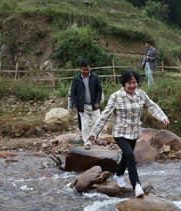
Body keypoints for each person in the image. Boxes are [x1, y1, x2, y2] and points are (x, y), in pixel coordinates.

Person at [87, 70, 170, 198]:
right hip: (120, 132)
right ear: (123, 83)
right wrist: (94, 133)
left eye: (134, 82)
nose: (132, 85)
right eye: (129, 83)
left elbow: (151, 106)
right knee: (130, 154)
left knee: (127, 156)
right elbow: (104, 116)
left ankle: (119, 175)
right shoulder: (116, 96)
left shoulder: (140, 94)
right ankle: (136, 184)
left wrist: (162, 117)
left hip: (133, 132)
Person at [70, 59, 104, 150]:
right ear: (80, 68)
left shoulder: (95, 77)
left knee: (96, 123)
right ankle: (87, 142)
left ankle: (97, 138)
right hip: (82, 105)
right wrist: (74, 105)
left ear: (90, 68)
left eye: (87, 69)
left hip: (93, 104)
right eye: (84, 69)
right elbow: (73, 93)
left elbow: (99, 90)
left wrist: (97, 101)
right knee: (84, 125)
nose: (86, 71)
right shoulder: (76, 79)